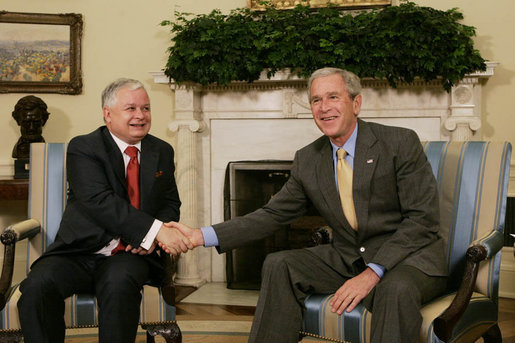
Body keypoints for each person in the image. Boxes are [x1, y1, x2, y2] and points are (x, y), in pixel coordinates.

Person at [167, 67, 448, 343]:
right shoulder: (308, 159)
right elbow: (272, 214)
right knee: (280, 264)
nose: (324, 108)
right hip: (349, 257)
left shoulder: (399, 142)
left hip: (409, 259)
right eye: (316, 100)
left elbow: (422, 220)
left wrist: (373, 272)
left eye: (333, 97)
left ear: (356, 103)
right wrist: (199, 236)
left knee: (395, 289)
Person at [17, 78, 192, 343]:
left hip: (129, 255)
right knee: (36, 288)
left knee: (119, 284)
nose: (140, 116)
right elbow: (99, 201)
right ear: (107, 114)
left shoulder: (161, 151)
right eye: (131, 108)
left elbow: (170, 203)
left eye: (146, 108)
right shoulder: (84, 148)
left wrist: (152, 240)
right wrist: (153, 231)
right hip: (79, 251)